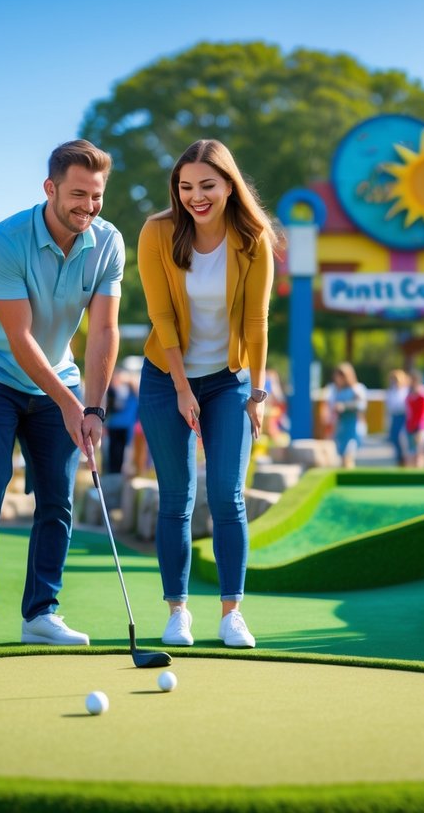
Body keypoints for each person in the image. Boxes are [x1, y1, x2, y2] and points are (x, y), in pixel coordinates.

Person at [0, 140, 123, 651]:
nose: (87, 207)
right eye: (77, 195)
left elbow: (104, 331)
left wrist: (92, 406)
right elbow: (20, 339)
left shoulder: (108, 242)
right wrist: (70, 404)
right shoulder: (5, 239)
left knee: (57, 497)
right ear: (50, 188)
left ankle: (41, 613)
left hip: (60, 376)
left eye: (96, 197)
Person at [136, 139, 276, 649]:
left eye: (207, 186)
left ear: (228, 186)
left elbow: (257, 323)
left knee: (227, 495)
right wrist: (179, 387)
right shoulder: (157, 233)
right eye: (186, 186)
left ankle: (232, 612)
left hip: (228, 381)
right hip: (163, 377)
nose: (196, 196)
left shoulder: (254, 239)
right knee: (175, 498)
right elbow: (162, 316)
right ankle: (178, 612)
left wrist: (257, 394)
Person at [328, 362, 368, 468]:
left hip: (354, 426)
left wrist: (345, 406)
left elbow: (361, 405)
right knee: (342, 459)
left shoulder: (357, 389)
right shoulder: (336, 390)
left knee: (349, 457)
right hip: (341, 428)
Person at [104, 367, 138, 475]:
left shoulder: (129, 392)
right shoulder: (124, 392)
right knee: (117, 451)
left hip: (121, 425)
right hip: (118, 425)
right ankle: (114, 473)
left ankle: (115, 473)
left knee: (117, 451)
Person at [403, 369, 424, 468]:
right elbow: (408, 412)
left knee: (420, 451)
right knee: (410, 453)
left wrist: (420, 428)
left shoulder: (423, 393)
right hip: (410, 426)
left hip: (421, 426)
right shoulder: (409, 393)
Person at [384, 369, 410, 467]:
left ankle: (405, 459)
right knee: (394, 439)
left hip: (404, 417)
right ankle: (399, 460)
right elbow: (389, 407)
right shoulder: (391, 392)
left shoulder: (406, 391)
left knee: (403, 439)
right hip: (395, 417)